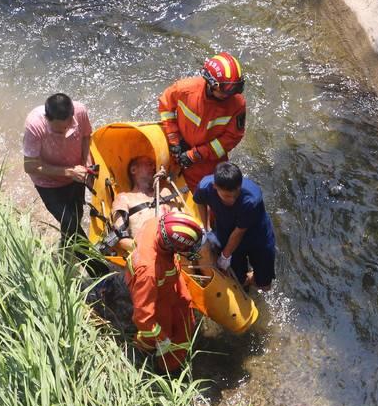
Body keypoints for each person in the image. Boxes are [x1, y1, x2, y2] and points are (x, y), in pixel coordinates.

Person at [125, 211, 204, 373]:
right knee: (156, 334)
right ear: (172, 246)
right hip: (156, 295)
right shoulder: (148, 272)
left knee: (186, 313)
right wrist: (162, 338)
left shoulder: (156, 224)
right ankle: (155, 366)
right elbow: (143, 317)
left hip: (170, 283)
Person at [158, 52, 246, 190]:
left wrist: (196, 154)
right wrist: (174, 139)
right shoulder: (184, 89)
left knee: (214, 198)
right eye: (226, 90)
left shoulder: (237, 104)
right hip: (180, 148)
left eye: (235, 89)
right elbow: (165, 106)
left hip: (209, 161)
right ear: (211, 83)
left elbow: (232, 138)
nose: (230, 95)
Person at [22, 93, 95, 248]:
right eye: (60, 129)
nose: (66, 130)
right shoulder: (34, 125)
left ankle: (65, 246)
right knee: (71, 225)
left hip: (76, 174)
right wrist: (69, 172)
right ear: (48, 119)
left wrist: (87, 165)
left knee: (76, 215)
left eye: (69, 124)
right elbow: (29, 166)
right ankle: (99, 270)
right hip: (48, 182)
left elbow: (86, 137)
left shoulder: (80, 111)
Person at [193, 161, 277, 291]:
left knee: (265, 285)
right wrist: (206, 227)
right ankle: (244, 280)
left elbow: (238, 232)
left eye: (235, 195)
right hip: (226, 232)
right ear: (215, 187)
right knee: (237, 280)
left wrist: (225, 256)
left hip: (257, 238)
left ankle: (252, 278)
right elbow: (200, 202)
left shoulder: (251, 200)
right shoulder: (204, 187)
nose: (232, 200)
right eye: (226, 196)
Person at [108, 156, 183, 254]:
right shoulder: (124, 198)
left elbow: (180, 224)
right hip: (142, 256)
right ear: (134, 170)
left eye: (153, 165)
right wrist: (147, 250)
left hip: (172, 252)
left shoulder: (165, 193)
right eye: (149, 164)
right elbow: (121, 238)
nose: (153, 168)